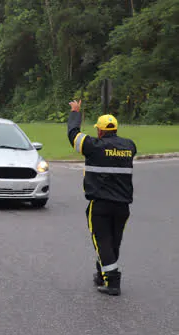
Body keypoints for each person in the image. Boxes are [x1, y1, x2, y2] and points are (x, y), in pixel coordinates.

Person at [67, 100, 137, 296]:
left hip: (101, 205)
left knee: (102, 241)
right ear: (115, 129)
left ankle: (113, 282)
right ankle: (102, 274)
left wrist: (75, 113)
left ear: (99, 131)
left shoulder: (93, 146)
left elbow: (73, 134)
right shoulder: (129, 146)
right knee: (114, 241)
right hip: (123, 206)